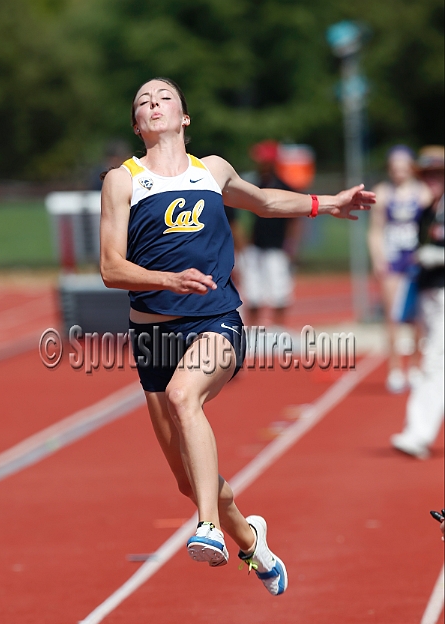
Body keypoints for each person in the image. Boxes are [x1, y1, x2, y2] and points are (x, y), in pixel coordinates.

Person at [99, 77, 375, 595]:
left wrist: (328, 203)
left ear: (184, 118)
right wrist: (165, 279)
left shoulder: (213, 169)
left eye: (164, 99)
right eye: (142, 102)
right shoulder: (123, 181)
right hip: (152, 339)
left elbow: (264, 201)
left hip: (214, 320)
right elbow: (111, 268)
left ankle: (207, 529)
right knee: (187, 479)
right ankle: (250, 539)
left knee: (186, 396)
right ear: (138, 125)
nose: (153, 104)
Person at [391, 146, 444, 459]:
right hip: (429, 292)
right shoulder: (428, 210)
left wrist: (436, 256)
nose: (433, 180)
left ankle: (418, 432)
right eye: (428, 174)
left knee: (435, 362)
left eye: (438, 173)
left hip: (442, 291)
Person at [367, 146, 432, 393]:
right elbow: (375, 230)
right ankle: (395, 368)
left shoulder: (423, 193)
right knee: (392, 316)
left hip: (415, 259)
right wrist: (378, 259)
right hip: (393, 259)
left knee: (417, 316)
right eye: (395, 165)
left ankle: (415, 365)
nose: (399, 170)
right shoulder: (383, 194)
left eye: (404, 165)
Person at [238, 140, 303, 328]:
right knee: (252, 292)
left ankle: (278, 330)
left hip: (276, 247)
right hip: (255, 247)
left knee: (279, 292)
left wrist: (291, 246)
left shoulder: (285, 186)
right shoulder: (255, 185)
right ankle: (253, 331)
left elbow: (295, 220)